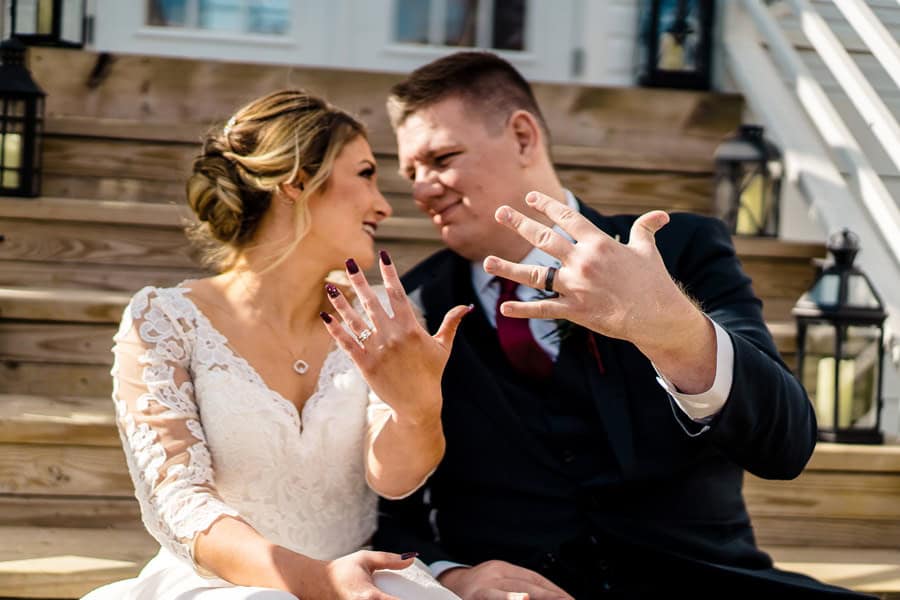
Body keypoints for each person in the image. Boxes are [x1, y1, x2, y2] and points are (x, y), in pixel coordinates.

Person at [373, 51, 872, 598]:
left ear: (521, 136)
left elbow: (787, 444)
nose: (421, 190)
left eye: (441, 157)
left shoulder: (676, 252)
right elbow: (385, 504)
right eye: (411, 172)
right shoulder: (411, 306)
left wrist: (671, 328)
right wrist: (454, 576)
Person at [81, 89, 469, 600]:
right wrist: (318, 582)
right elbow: (180, 504)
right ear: (296, 182)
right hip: (222, 583)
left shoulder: (380, 317)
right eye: (366, 174)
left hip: (358, 575)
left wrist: (418, 410)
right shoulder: (164, 321)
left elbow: (392, 479)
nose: (383, 206)